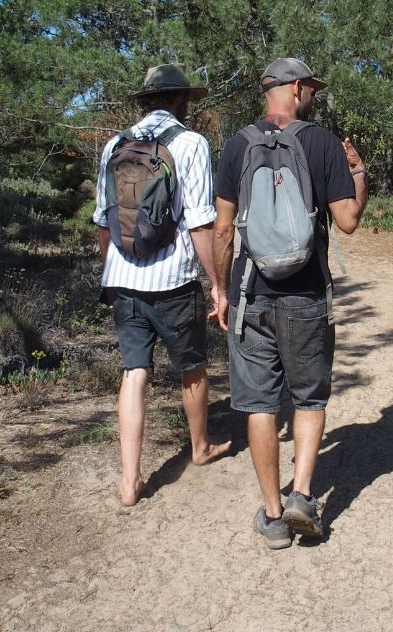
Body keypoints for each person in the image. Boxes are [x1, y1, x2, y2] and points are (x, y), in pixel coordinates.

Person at [213, 57, 367, 549]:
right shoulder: (322, 143)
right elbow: (347, 221)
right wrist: (358, 172)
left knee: (260, 404)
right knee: (309, 397)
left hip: (249, 292)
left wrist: (219, 289)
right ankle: (302, 492)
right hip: (306, 295)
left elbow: (222, 229)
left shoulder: (236, 146)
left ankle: (274, 515)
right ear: (297, 88)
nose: (314, 96)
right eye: (312, 89)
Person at [93, 64, 231, 507]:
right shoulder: (190, 143)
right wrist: (217, 284)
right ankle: (200, 446)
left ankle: (130, 480)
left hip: (123, 279)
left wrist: (112, 270)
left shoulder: (114, 145)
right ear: (181, 100)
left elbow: (102, 221)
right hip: (172, 281)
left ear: (145, 100)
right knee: (190, 367)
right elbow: (200, 223)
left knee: (134, 373)